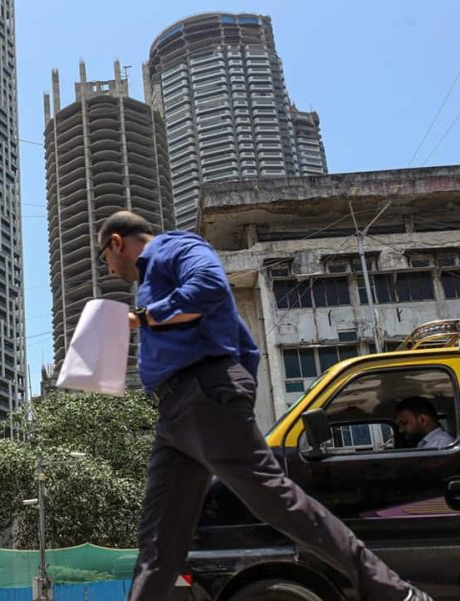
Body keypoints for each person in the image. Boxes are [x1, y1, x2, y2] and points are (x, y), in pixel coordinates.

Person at [95, 211, 432, 601]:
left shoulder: (176, 247)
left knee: (276, 501)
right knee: (158, 539)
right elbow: (228, 334)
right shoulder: (150, 283)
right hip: (176, 416)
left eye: (105, 258)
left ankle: (394, 593)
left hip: (203, 396)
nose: (110, 268)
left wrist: (144, 319)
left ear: (117, 242)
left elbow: (209, 287)